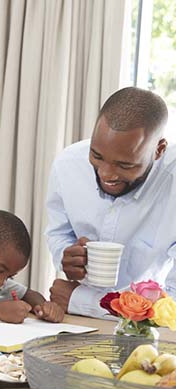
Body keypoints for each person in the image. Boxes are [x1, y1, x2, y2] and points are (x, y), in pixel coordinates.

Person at [46, 87, 176, 318]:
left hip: (146, 332)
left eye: (125, 165)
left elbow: (172, 308)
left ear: (159, 150)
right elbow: (58, 233)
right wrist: (66, 254)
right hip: (75, 321)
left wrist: (82, 301)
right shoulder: (67, 166)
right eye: (96, 156)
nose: (106, 174)